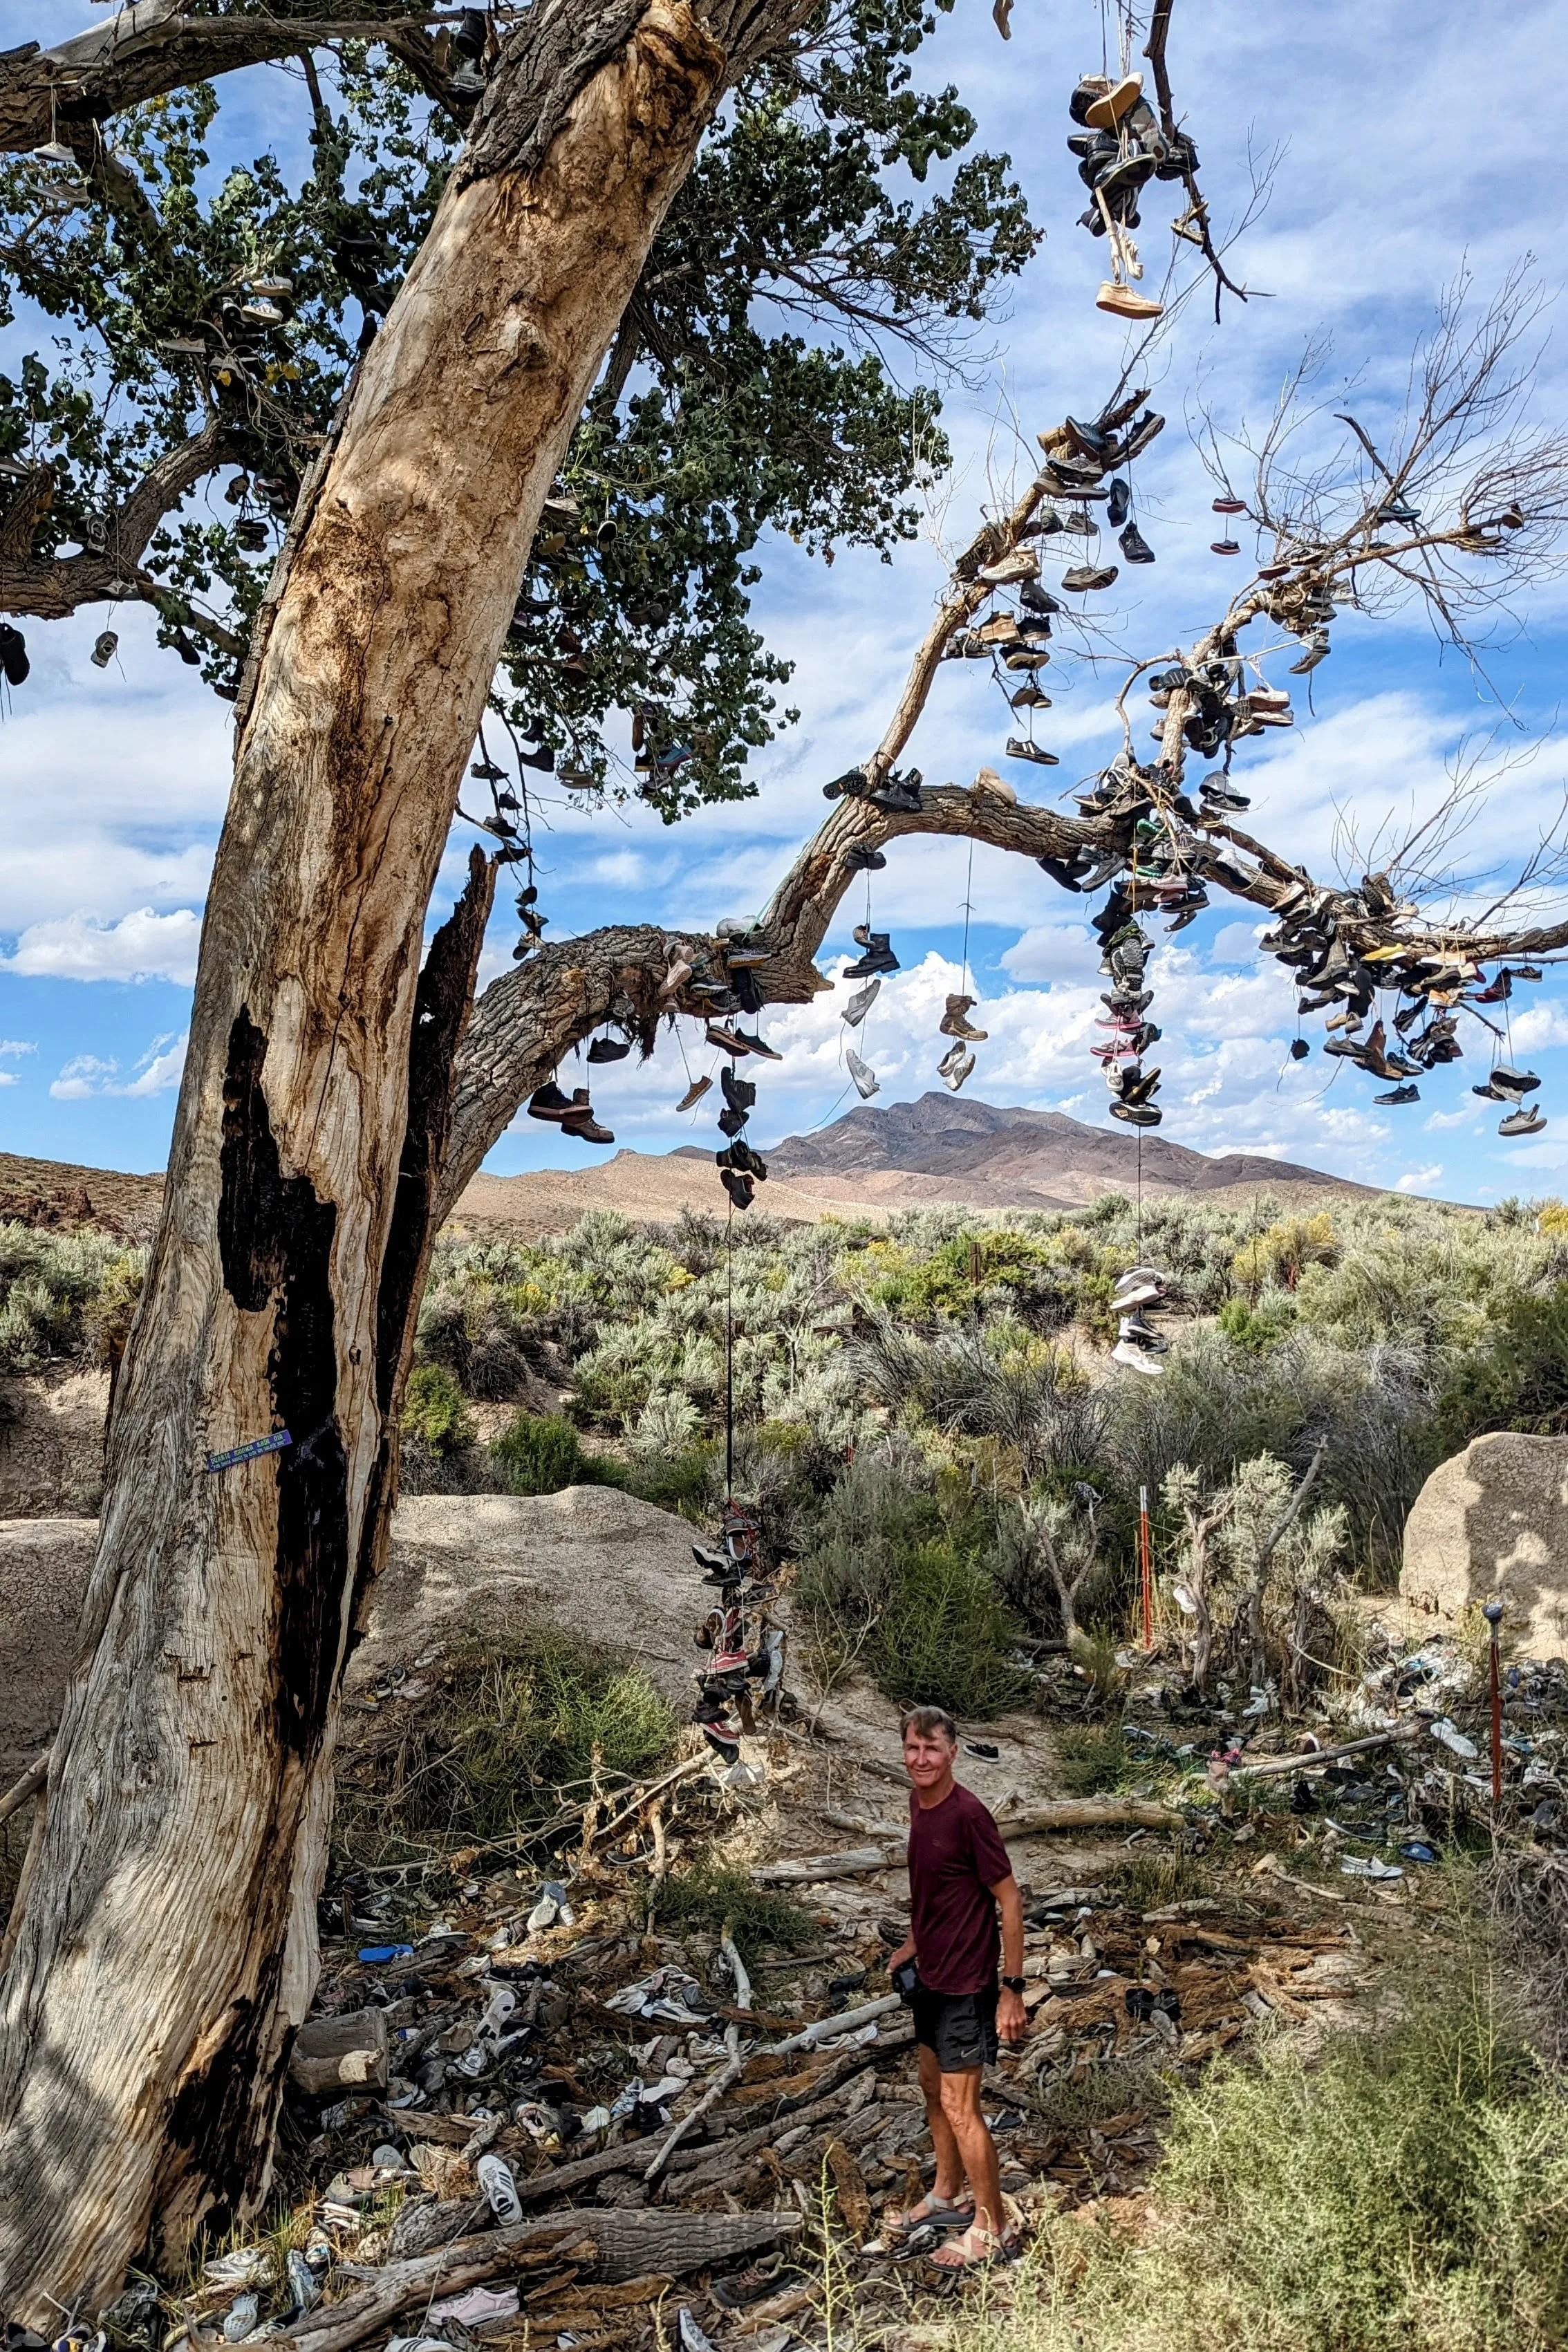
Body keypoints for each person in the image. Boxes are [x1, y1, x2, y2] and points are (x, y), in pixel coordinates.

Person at [885, 1704, 1027, 2270]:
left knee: (961, 2105)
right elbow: (933, 1886)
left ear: (953, 1752)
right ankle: (947, 2192)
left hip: (967, 1982)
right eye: (913, 1749)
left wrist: (1012, 1988)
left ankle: (992, 2227)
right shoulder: (919, 1802)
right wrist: (915, 1942)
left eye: (932, 1749)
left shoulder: (970, 1814)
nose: (922, 1759)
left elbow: (1010, 1898)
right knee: (929, 2084)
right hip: (932, 1973)